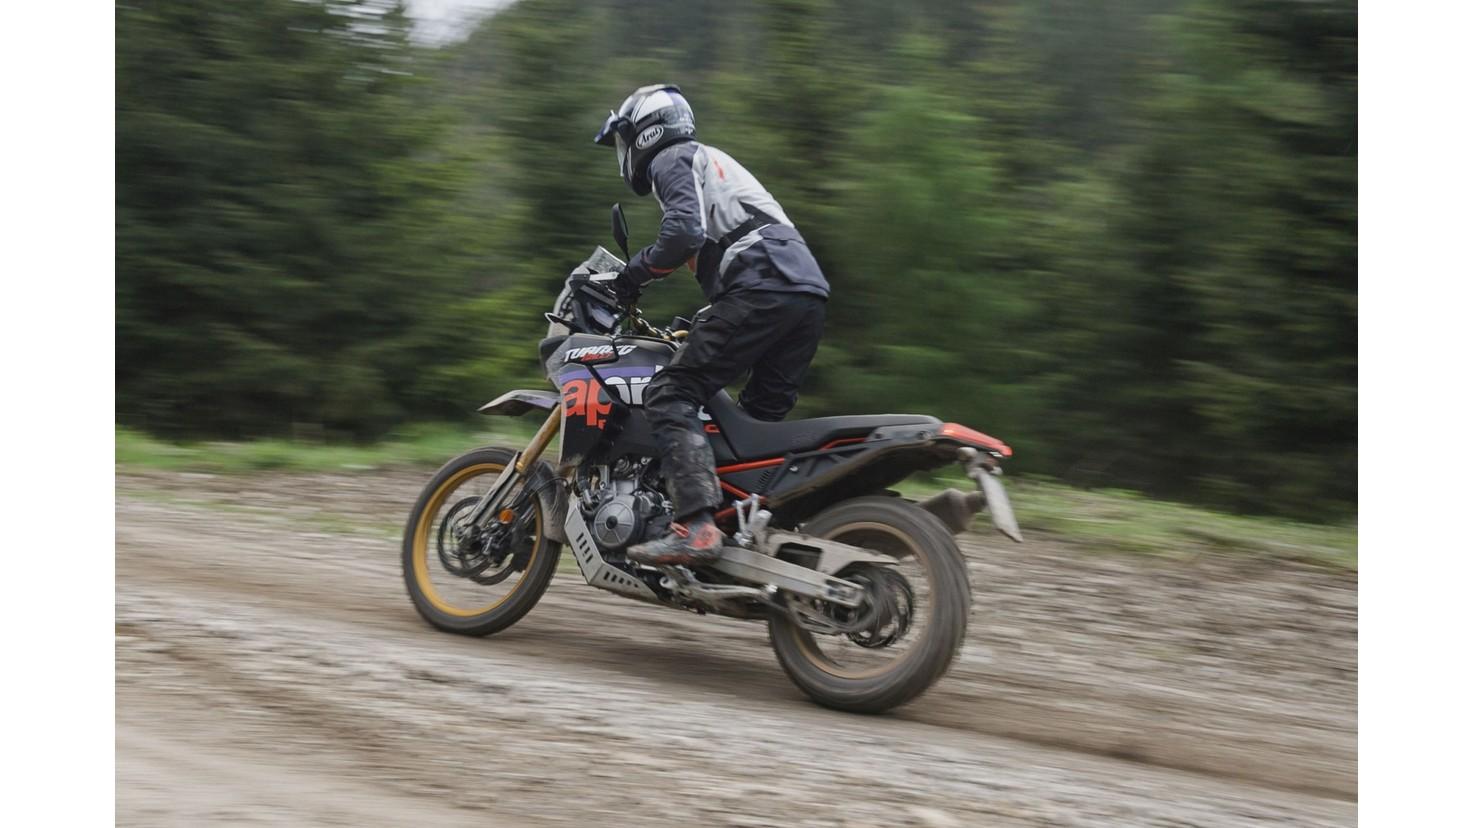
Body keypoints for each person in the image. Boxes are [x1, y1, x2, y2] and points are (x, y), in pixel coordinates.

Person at [593, 84, 830, 566]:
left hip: (762, 283)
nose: (625, 152)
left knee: (670, 393)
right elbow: (726, 245)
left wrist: (632, 275)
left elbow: (684, 233)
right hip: (804, 292)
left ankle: (697, 528)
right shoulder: (712, 162)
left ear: (646, 131)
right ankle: (758, 535)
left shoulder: (671, 158)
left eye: (624, 138)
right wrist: (705, 319)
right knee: (755, 426)